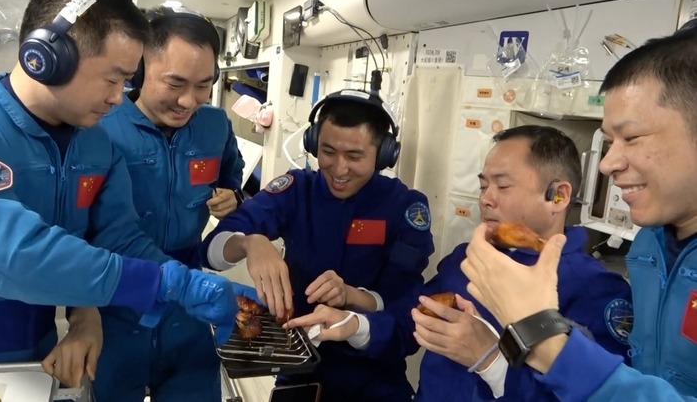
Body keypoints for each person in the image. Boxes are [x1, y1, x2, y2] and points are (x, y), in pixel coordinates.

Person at [0, 0, 236, 389]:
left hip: (38, 351)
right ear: (47, 57)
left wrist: (188, 283)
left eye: (127, 82)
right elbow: (18, 254)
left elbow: (118, 238)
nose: (119, 97)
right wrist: (161, 281)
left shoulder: (95, 146)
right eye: (112, 79)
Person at [460, 21, 697, 401]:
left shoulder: (594, 283)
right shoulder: (649, 245)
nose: (607, 164)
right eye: (609, 141)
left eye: (631, 138)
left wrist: (546, 343)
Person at [199, 89, 435, 402]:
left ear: (384, 154)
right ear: (311, 144)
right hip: (298, 375)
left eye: (354, 156)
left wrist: (352, 298)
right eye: (328, 152)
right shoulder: (296, 189)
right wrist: (250, 243)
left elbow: (404, 313)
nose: (339, 169)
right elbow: (213, 250)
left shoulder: (404, 207)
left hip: (374, 381)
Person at [411, 125, 632, 401]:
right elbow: (412, 315)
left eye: (502, 186)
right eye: (483, 186)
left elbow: (600, 393)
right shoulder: (466, 259)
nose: (486, 199)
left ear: (558, 196)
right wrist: (361, 315)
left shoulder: (596, 288)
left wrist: (491, 360)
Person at [94, 7, 244, 402]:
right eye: (175, 83)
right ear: (139, 70)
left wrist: (233, 194)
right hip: (116, 296)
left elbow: (233, 172)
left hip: (190, 302)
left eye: (203, 85)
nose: (187, 100)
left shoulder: (215, 125)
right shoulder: (100, 124)